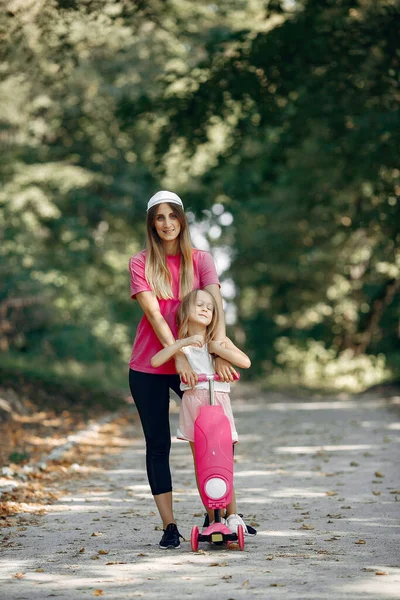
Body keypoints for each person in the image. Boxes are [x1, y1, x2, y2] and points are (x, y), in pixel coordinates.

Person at [128, 190, 238, 550]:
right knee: (157, 444)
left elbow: (216, 308)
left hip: (196, 360)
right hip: (150, 364)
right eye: (159, 218)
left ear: (182, 219)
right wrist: (175, 356)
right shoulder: (140, 262)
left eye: (172, 216)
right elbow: (156, 315)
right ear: (152, 223)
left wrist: (219, 352)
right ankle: (170, 524)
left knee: (212, 438)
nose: (166, 223)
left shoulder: (202, 259)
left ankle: (218, 514)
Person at [151, 288, 256, 537]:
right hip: (194, 405)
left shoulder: (218, 342)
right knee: (203, 464)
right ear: (185, 311)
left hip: (218, 403)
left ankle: (232, 516)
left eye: (210, 306)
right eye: (199, 304)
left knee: (224, 461)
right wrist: (182, 344)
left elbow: (245, 362)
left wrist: (217, 350)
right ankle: (212, 517)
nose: (206, 309)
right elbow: (156, 361)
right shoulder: (182, 346)